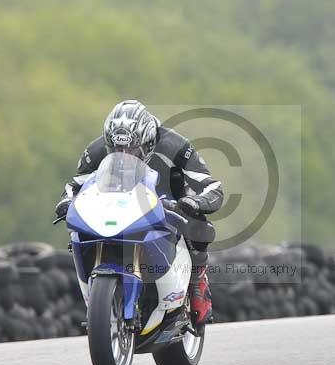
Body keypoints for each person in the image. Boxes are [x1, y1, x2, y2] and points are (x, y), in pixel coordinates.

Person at [55, 100, 223, 327]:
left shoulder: (176, 146)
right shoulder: (96, 150)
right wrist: (66, 201)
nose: (123, 154)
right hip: (117, 204)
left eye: (132, 149)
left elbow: (212, 187)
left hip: (168, 201)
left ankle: (197, 282)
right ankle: (97, 294)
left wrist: (194, 201)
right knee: (77, 232)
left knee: (200, 226)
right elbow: (76, 185)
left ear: (148, 142)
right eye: (115, 150)